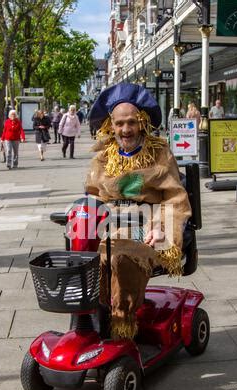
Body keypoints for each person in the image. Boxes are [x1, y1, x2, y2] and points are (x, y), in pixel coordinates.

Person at [85, 83, 191, 339]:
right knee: (83, 260)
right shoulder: (103, 156)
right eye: (119, 123)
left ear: (142, 122)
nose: (125, 129)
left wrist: (161, 226)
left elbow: (175, 197)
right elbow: (92, 195)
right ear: (111, 125)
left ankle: (122, 328)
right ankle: (92, 321)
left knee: (121, 258)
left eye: (131, 122)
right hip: (109, 222)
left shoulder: (159, 152)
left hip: (147, 223)